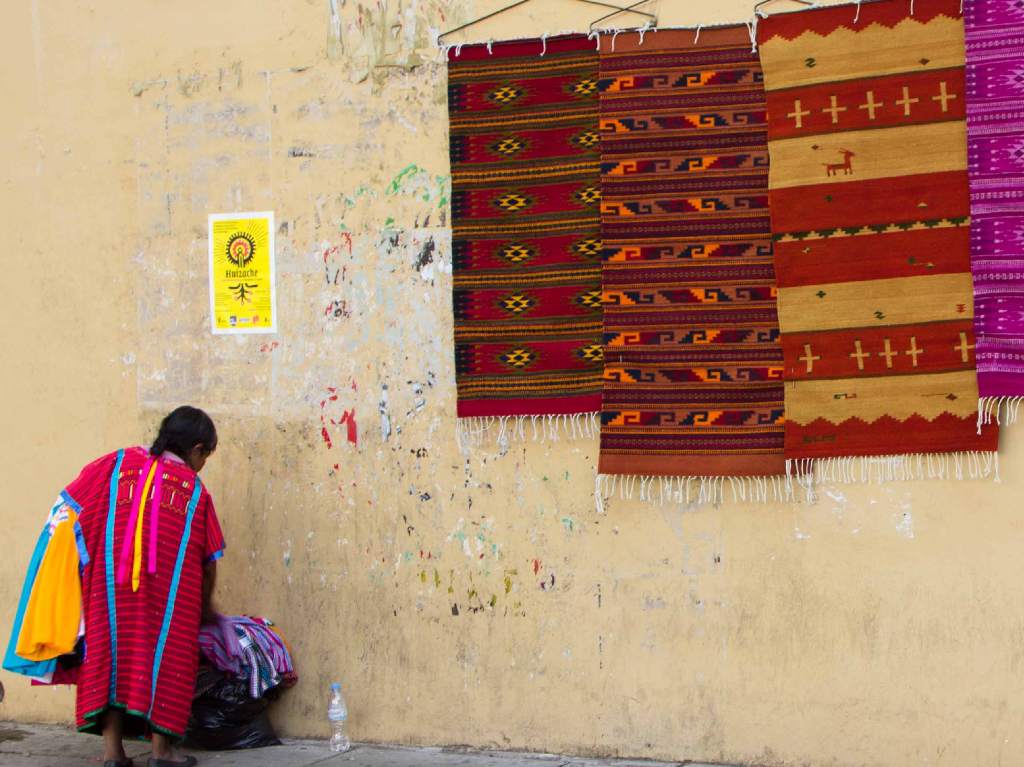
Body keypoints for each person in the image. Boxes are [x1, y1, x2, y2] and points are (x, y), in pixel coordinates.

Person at [68, 406, 225, 767]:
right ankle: (162, 753)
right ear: (197, 449)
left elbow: (72, 508)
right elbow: (209, 555)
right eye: (206, 456)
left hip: (110, 591)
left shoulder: (115, 465)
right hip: (167, 597)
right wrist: (206, 606)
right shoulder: (194, 493)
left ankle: (113, 755)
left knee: (110, 659)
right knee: (167, 659)